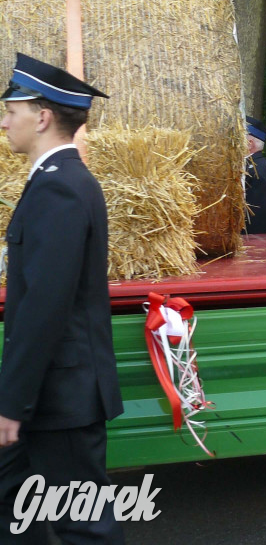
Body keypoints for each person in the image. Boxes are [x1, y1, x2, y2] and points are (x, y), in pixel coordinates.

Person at [0, 52, 124, 543]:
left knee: (84, 525)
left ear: (43, 117)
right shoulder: (56, 182)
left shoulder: (62, 188)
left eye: (12, 111)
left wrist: (11, 403)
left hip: (60, 394)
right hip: (48, 392)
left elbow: (44, 308)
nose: (5, 121)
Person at [243, 115, 266, 234]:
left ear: (250, 143)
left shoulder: (258, 170)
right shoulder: (253, 165)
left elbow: (257, 217)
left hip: (255, 243)